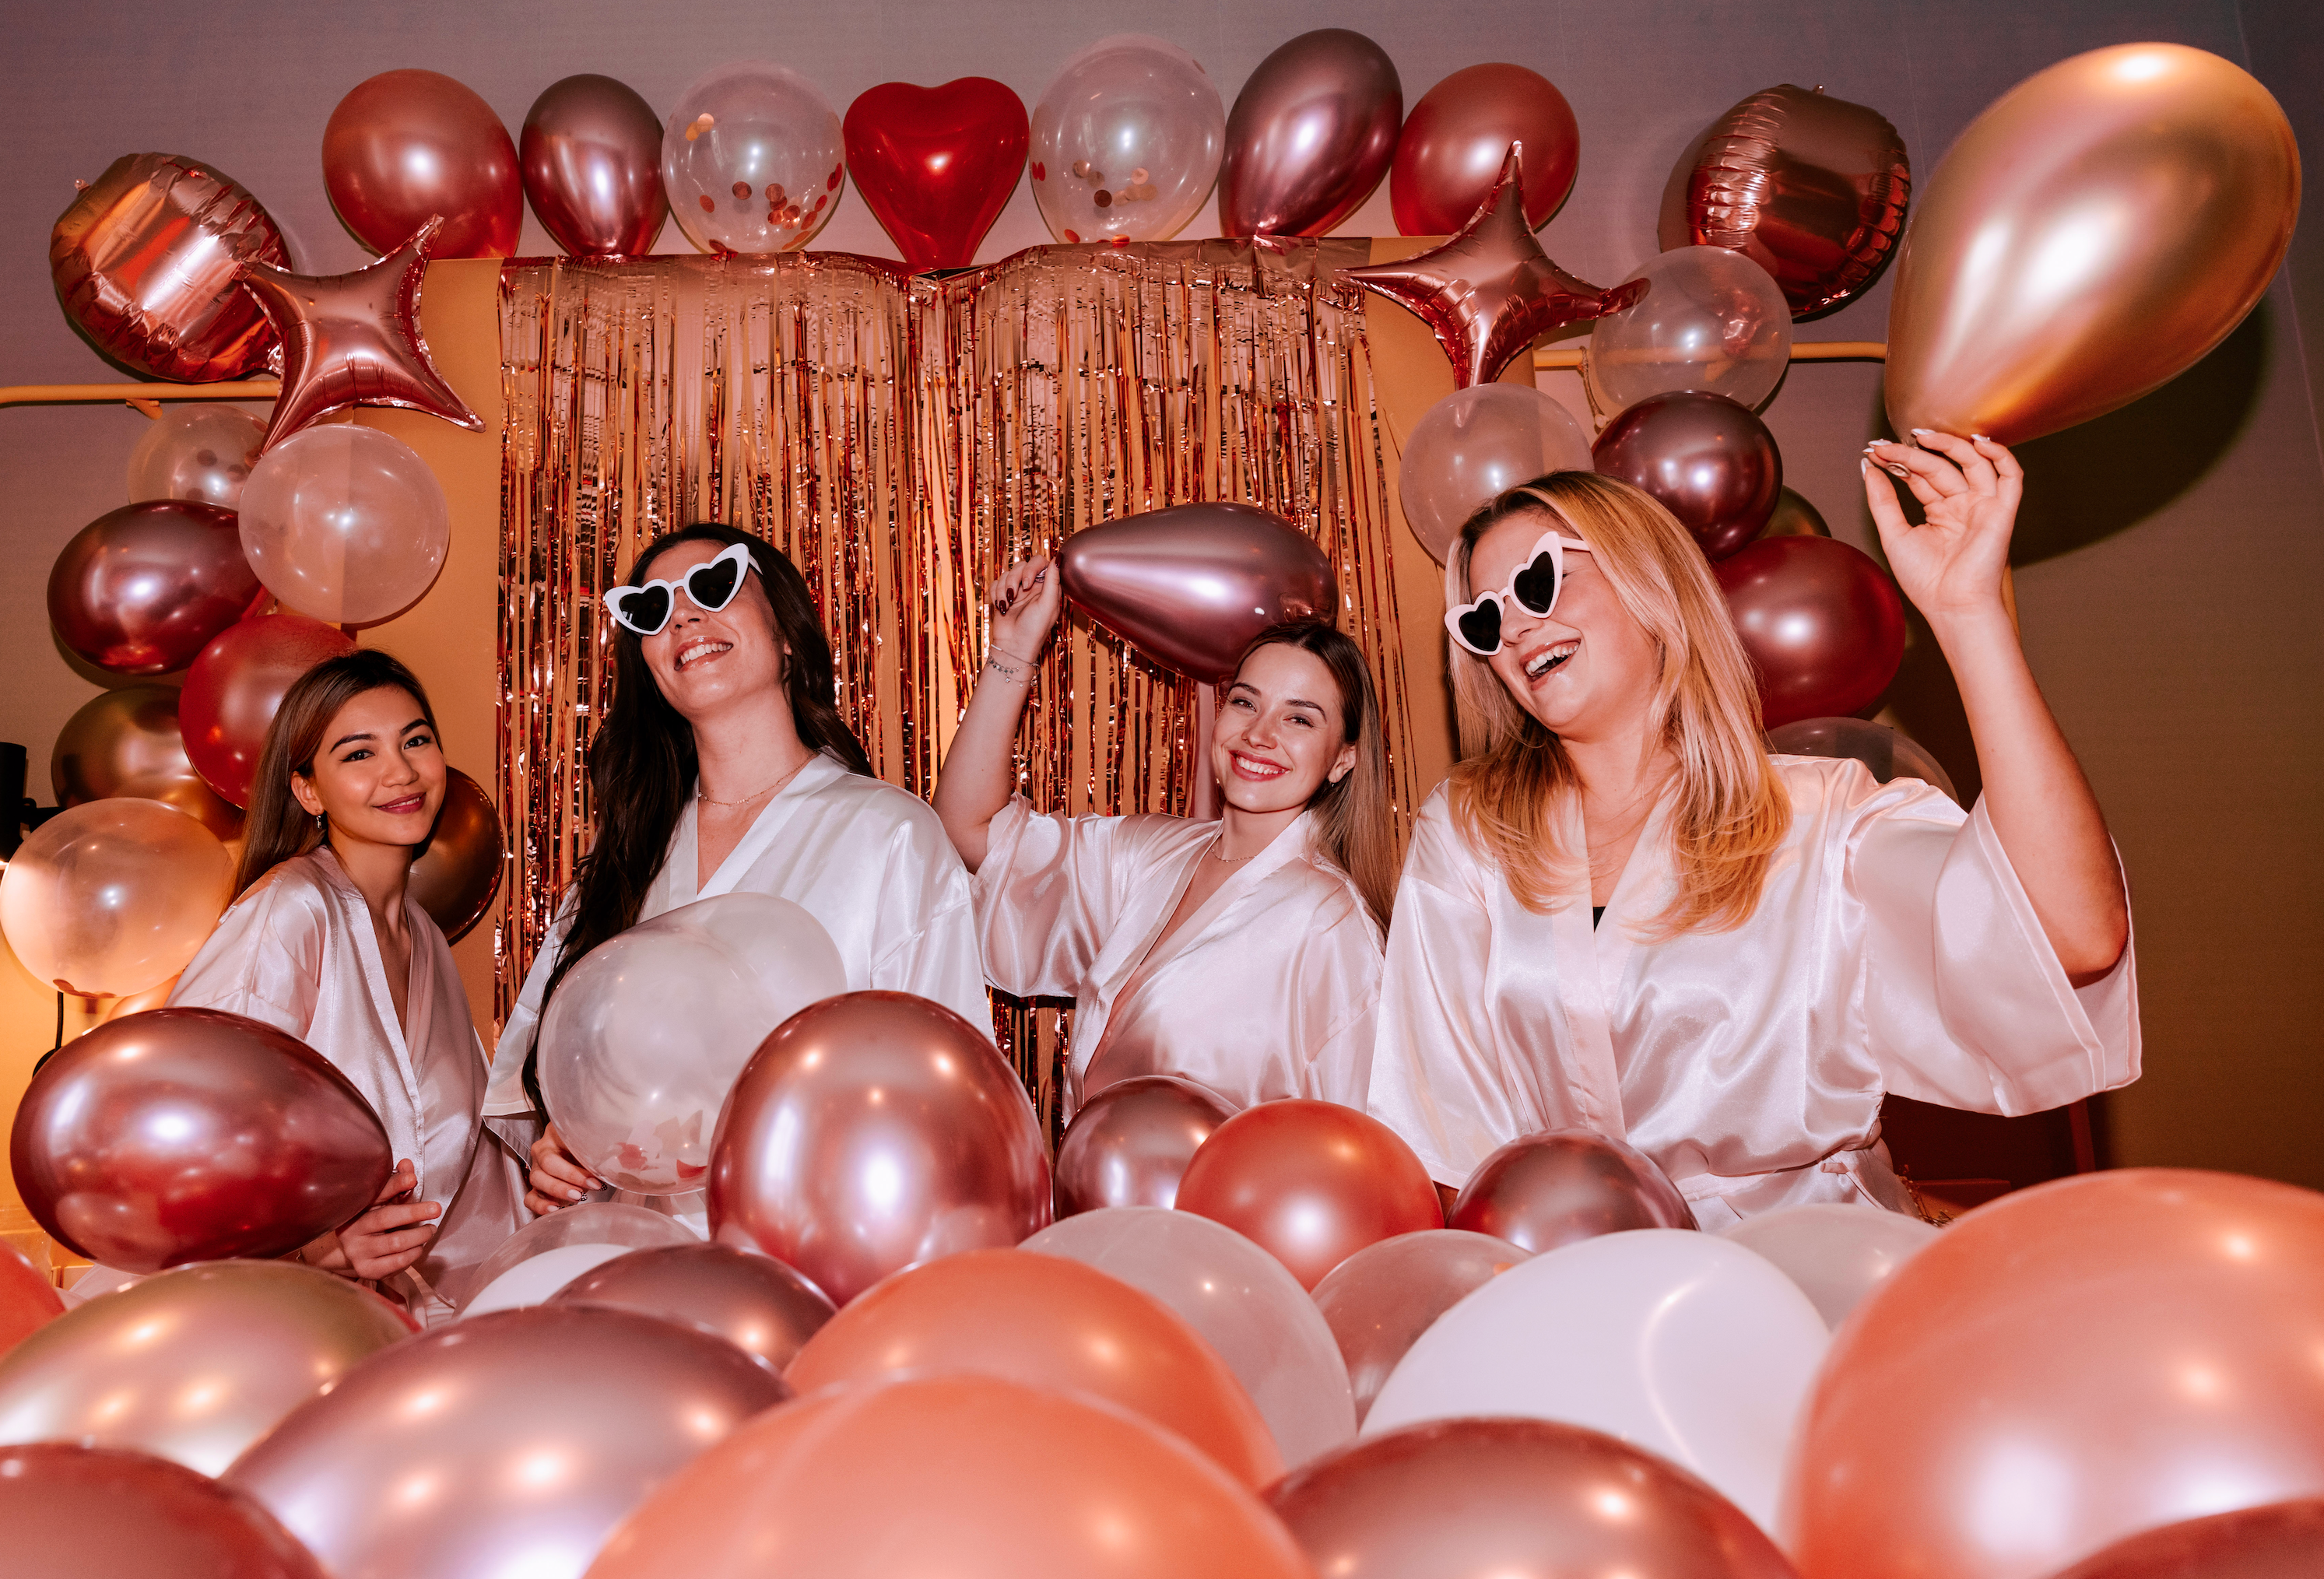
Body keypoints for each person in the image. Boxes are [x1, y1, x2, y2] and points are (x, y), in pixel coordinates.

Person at [1368, 435, 2138, 1225]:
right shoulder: (1467, 835)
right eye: (1485, 619)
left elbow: (2072, 935)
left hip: (1814, 1277)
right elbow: (1442, 1139)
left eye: (1538, 581)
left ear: (1648, 577)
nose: (1519, 627)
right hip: (1579, 1287)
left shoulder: (1821, 818)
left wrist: (1967, 613)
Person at [492, 524, 988, 1216]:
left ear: (786, 631)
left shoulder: (890, 834)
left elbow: (947, 1098)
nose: (684, 617)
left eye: (712, 585)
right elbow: (565, 1084)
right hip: (644, 1274)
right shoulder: (624, 860)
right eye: (652, 610)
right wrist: (564, 1148)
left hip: (819, 1268)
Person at [934, 555, 1395, 1115]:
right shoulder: (1149, 854)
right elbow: (971, 829)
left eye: (1299, 719)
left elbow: (1363, 1148)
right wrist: (1012, 651)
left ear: (1344, 759)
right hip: (1096, 1201)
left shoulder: (1331, 923)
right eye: (1246, 702)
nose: (1258, 734)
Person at [161, 649, 527, 1319]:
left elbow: (477, 1179)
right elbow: (183, 1129)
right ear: (307, 790)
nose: (402, 771)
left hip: (402, 1326)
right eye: (359, 754)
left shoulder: (427, 943)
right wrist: (312, 1253)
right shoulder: (291, 911)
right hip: (278, 1322)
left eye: (416, 740)